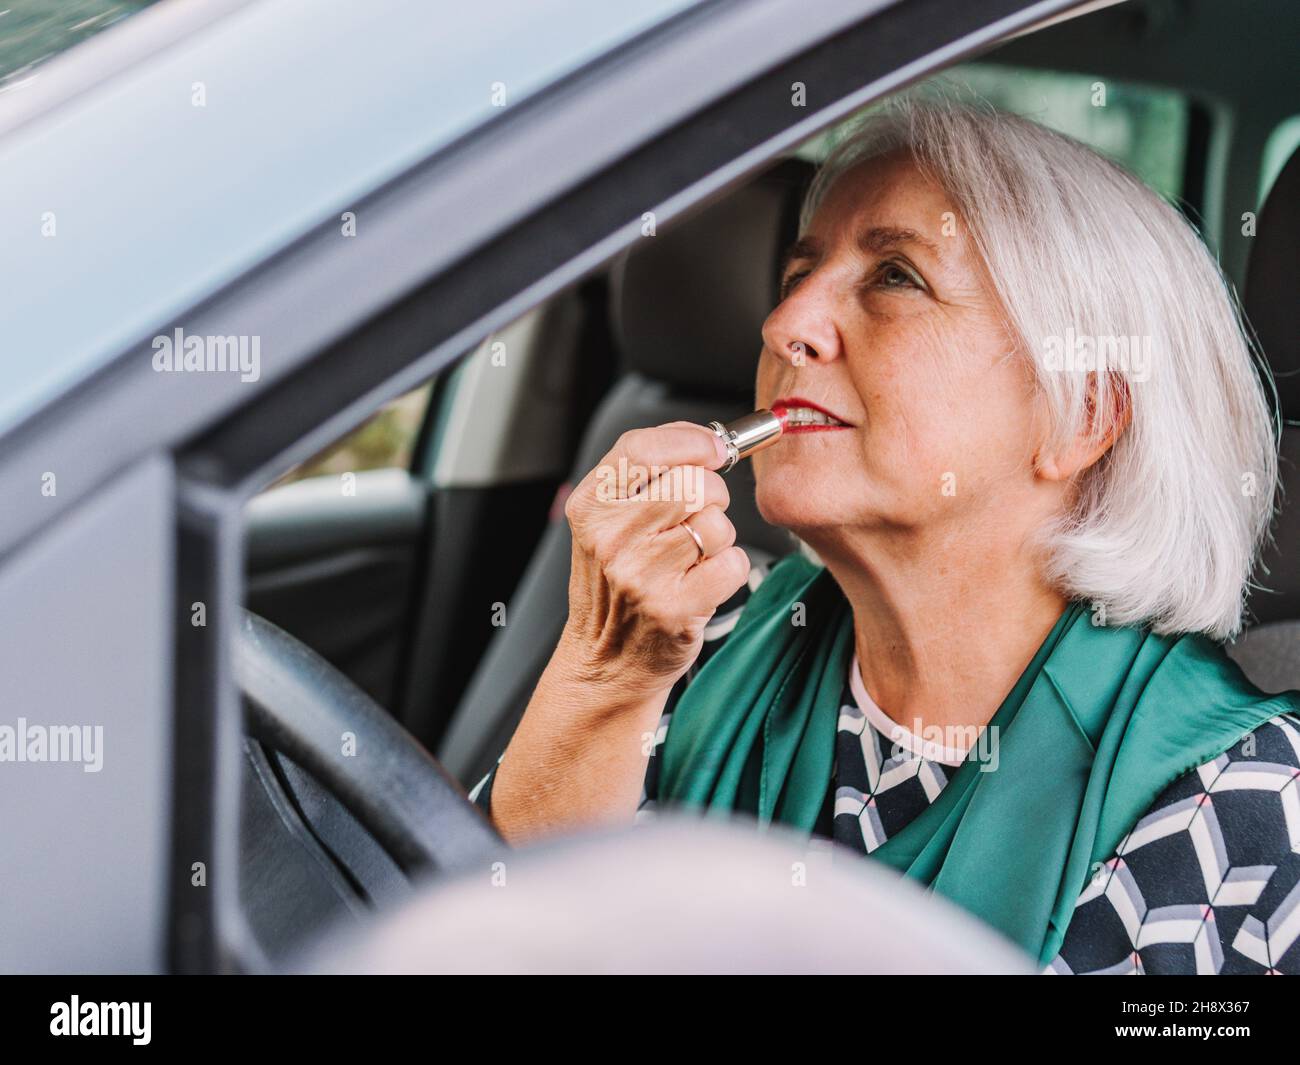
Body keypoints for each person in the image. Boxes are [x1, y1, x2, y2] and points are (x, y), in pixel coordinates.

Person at [470, 98, 1300, 974]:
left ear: (1082, 416)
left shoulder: (1245, 812)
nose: (785, 324)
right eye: (798, 275)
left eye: (895, 277)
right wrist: (603, 677)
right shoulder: (695, 638)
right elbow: (463, 939)